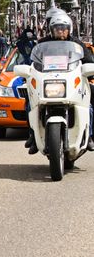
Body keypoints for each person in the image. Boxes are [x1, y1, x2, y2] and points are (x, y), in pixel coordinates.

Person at [25, 12, 94, 154]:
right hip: (48, 81)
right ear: (51, 30)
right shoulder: (43, 43)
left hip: (71, 81)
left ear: (69, 29)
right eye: (57, 28)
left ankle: (90, 136)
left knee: (91, 102)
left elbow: (89, 60)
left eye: (63, 28)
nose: (61, 31)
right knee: (29, 101)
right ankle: (33, 135)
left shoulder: (76, 44)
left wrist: (90, 69)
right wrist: (28, 71)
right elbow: (32, 62)